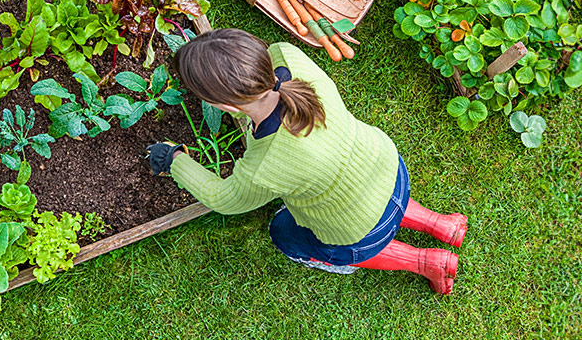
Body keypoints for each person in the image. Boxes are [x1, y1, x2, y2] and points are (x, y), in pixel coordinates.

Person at [146, 29, 467, 294]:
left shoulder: (266, 165)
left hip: (358, 230)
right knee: (370, 195)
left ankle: (427, 262)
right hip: (388, 168)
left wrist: (173, 159)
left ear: (225, 106)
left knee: (283, 233)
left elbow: (223, 199)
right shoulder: (287, 56)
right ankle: (442, 224)